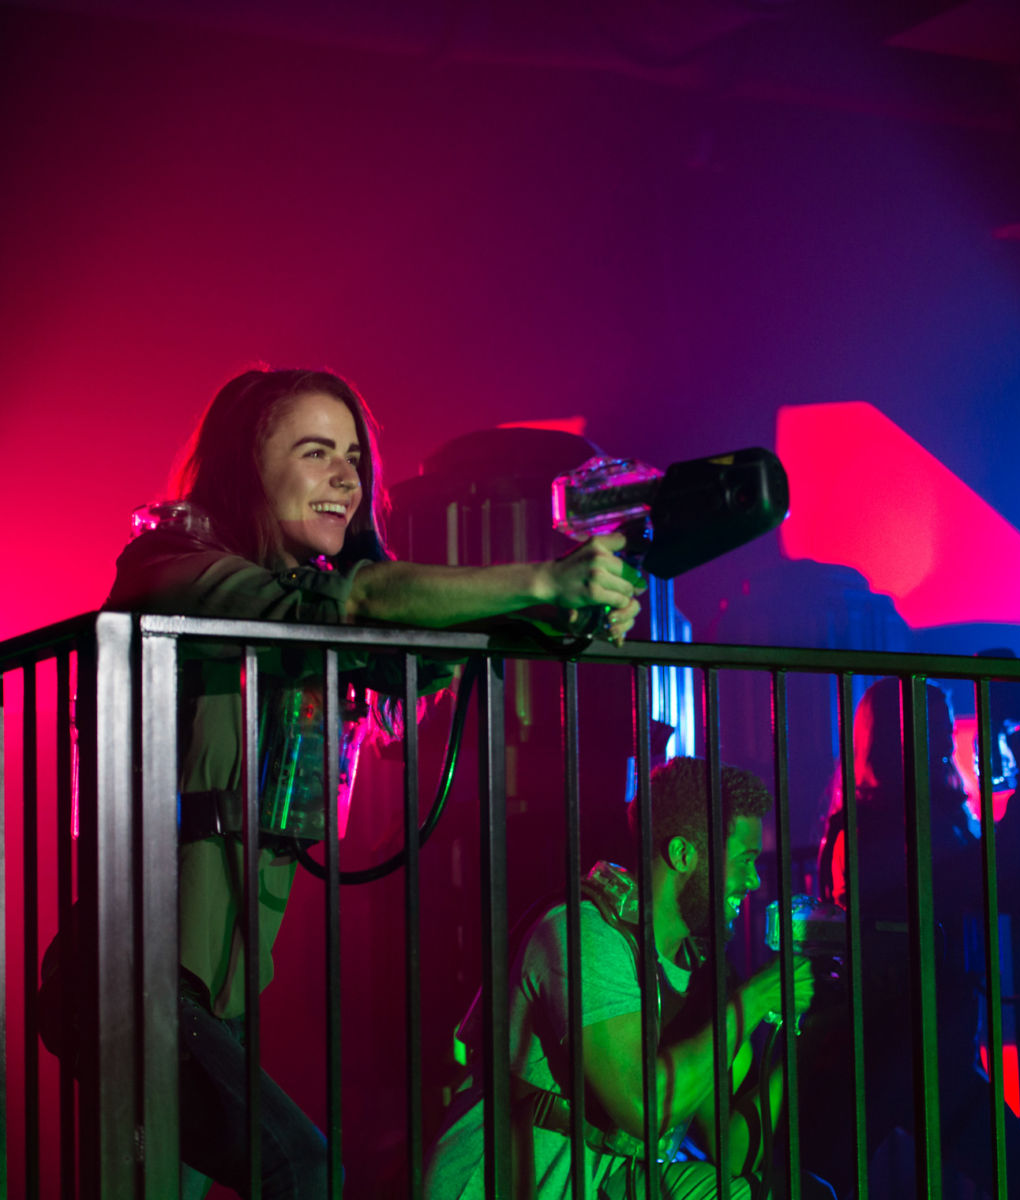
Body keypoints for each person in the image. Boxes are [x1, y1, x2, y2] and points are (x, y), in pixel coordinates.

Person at [102, 366, 645, 1199]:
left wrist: (568, 611)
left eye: (354, 456)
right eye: (316, 452)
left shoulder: (305, 616)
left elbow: (398, 641)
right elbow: (341, 608)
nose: (347, 478)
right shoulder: (168, 563)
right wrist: (541, 581)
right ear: (249, 468)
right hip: (130, 977)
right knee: (303, 1169)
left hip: (220, 998)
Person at [424, 755, 815, 1200]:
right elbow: (644, 1107)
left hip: (602, 1182)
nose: (753, 880)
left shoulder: (696, 971)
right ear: (683, 854)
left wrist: (798, 1039)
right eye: (744, 860)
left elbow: (733, 1153)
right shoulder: (585, 935)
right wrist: (751, 1002)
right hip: (505, 1183)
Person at [804, 677, 1020, 1198]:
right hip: (889, 1053)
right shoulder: (876, 825)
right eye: (935, 724)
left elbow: (1013, 887)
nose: (947, 737)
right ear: (900, 735)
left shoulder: (925, 815)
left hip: (932, 1053)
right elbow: (985, 874)